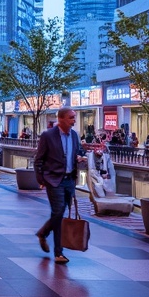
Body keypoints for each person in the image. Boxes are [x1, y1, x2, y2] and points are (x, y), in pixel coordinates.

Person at [33, 106, 86, 264]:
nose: (74, 120)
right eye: (71, 117)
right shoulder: (48, 136)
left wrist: (80, 156)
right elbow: (39, 160)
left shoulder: (74, 135)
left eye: (74, 117)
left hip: (69, 180)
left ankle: (43, 233)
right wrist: (41, 180)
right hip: (54, 180)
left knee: (59, 215)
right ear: (61, 119)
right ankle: (58, 252)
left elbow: (80, 151)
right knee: (58, 212)